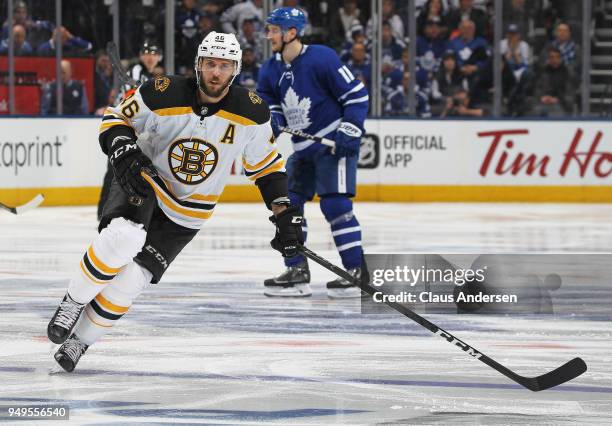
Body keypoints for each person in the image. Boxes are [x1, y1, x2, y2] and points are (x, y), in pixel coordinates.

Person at [46, 31, 303, 372]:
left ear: (236, 70)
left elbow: (268, 169)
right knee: (124, 237)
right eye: (210, 64)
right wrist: (122, 147)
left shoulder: (252, 114)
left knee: (133, 280)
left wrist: (283, 214)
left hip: (189, 212)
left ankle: (80, 340)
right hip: (146, 181)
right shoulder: (162, 91)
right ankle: (73, 301)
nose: (216, 73)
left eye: (224, 66)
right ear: (198, 65)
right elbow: (114, 118)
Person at [257, 7, 369, 298]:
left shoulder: (322, 57)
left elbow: (357, 96)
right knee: (287, 206)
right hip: (303, 149)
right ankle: (297, 270)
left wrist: (351, 128)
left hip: (331, 142)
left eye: (273, 30)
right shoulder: (271, 68)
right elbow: (268, 100)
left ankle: (357, 272)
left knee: (335, 207)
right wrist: (274, 116)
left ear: (291, 32)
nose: (269, 35)